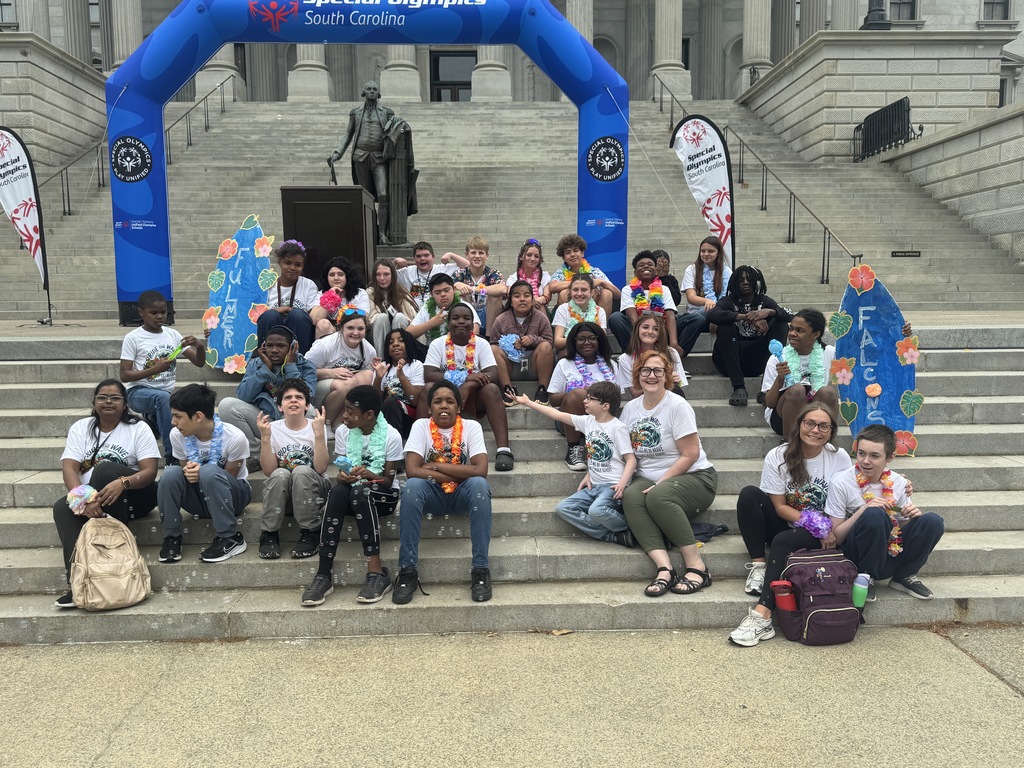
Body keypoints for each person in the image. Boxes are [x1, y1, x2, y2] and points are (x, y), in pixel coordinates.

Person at [728, 403, 851, 647]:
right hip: (789, 521)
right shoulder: (779, 455)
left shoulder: (839, 457)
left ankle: (763, 615)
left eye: (823, 425)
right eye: (810, 423)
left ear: (831, 431)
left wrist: (823, 529)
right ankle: (759, 565)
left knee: (782, 542)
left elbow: (852, 492)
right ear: (799, 426)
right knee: (750, 495)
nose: (815, 430)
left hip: (824, 532)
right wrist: (811, 523)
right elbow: (780, 506)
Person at [51, 380, 160, 608]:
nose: (108, 401)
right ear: (94, 402)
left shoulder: (138, 428)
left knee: (105, 469)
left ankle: (115, 566)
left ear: (125, 404)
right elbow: (69, 468)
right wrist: (84, 499)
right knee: (62, 507)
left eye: (115, 398)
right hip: (96, 501)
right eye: (102, 397)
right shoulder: (81, 428)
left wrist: (123, 483)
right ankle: (77, 582)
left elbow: (150, 471)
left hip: (136, 495)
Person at [621, 350, 718, 597]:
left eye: (658, 370)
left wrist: (661, 482)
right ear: (637, 375)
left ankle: (698, 567)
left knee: (657, 497)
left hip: (695, 477)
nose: (651, 375)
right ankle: (665, 569)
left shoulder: (677, 405)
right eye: (645, 370)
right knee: (632, 496)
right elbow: (624, 452)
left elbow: (690, 454)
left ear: (667, 376)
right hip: (648, 476)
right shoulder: (630, 409)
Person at [302, 386, 404, 606]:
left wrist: (368, 474)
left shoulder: (391, 436)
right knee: (338, 490)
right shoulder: (343, 432)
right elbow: (342, 467)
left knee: (361, 490)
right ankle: (323, 574)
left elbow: (387, 482)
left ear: (369, 415)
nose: (344, 416)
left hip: (382, 496)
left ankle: (377, 572)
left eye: (350, 411)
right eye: (344, 410)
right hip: (353, 493)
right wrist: (342, 476)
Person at [394, 380, 493, 604]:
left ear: (459, 407)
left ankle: (481, 570)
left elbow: (481, 470)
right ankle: (407, 571)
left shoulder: (471, 427)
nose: (444, 406)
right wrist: (461, 472)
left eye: (450, 401)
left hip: (462, 494)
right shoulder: (420, 426)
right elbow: (412, 471)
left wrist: (435, 466)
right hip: (431, 494)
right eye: (437, 401)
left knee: (479, 485)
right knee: (411, 487)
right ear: (430, 408)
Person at [827, 424, 944, 601]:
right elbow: (836, 536)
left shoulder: (897, 482)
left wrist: (911, 517)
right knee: (874, 514)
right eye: (861, 453)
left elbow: (896, 526)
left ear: (890, 458)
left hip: (889, 551)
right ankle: (866, 577)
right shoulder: (841, 482)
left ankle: (904, 576)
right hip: (856, 555)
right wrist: (864, 509)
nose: (865, 461)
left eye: (874, 456)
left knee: (932, 521)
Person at [515, 381, 637, 546]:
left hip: (612, 486)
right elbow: (558, 415)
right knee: (563, 508)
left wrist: (622, 484)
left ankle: (635, 529)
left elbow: (631, 460)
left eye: (590, 399)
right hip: (593, 486)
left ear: (605, 406)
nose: (585, 402)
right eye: (586, 398)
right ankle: (612, 536)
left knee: (596, 511)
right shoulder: (587, 422)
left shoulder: (618, 428)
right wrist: (528, 403)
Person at [157, 384, 252, 564]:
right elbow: (185, 472)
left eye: (178, 416)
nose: (173, 422)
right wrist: (191, 473)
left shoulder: (234, 437)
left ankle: (230, 538)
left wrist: (201, 473)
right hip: (200, 499)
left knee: (209, 471)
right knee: (170, 473)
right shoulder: (177, 435)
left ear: (198, 416)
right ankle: (172, 538)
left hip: (233, 497)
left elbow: (229, 477)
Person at [420, 302, 515, 471]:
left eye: (466, 318)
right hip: (444, 397)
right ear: (448, 324)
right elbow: (429, 374)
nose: (461, 322)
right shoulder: (438, 344)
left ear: (473, 323)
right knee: (428, 388)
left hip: (474, 397)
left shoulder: (482, 344)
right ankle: (421, 448)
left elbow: (492, 374)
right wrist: (467, 377)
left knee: (492, 389)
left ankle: (503, 450)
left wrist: (469, 385)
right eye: (455, 318)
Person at [119, 289, 206, 462]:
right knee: (164, 399)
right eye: (154, 313)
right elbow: (124, 375)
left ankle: (155, 419)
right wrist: (154, 370)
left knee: (196, 396)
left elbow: (199, 362)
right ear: (141, 313)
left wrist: (200, 346)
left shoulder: (173, 335)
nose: (159, 316)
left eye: (163, 312)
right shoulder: (133, 338)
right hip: (138, 392)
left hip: (165, 394)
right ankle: (172, 457)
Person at [327, 80, 416, 245]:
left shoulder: (387, 112)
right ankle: (371, 232)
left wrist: (403, 127)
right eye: (369, 89)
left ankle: (382, 233)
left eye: (375, 89)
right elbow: (348, 134)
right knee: (366, 198)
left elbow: (397, 129)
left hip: (379, 158)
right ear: (363, 92)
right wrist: (338, 153)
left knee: (383, 195)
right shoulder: (355, 113)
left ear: (378, 93)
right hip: (360, 157)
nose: (372, 91)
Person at [218, 325, 318, 461]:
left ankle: (297, 453)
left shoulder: (306, 366)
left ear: (292, 347)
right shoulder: (256, 365)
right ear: (263, 347)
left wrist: (290, 366)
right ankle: (256, 456)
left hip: (291, 420)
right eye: (270, 346)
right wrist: (265, 371)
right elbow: (243, 396)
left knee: (310, 410)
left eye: (281, 346)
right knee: (226, 405)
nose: (274, 350)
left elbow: (307, 398)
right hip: (266, 421)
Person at [256, 379, 330, 561]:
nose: (294, 400)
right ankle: (269, 534)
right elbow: (268, 471)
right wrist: (265, 438)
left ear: (307, 405)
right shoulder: (271, 428)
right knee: (280, 473)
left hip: (313, 493)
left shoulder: (316, 426)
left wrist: (319, 434)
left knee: (301, 471)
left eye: (299, 397)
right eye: (288, 398)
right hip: (283, 496)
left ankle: (311, 531)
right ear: (280, 407)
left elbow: (320, 468)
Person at [707, 265, 790, 407]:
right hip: (729, 361)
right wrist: (744, 317)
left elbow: (791, 315)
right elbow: (712, 314)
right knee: (725, 325)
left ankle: (767, 388)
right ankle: (738, 387)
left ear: (757, 282)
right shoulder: (728, 301)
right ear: (734, 284)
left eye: (749, 279)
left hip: (757, 362)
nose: (745, 282)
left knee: (780, 323)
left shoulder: (764, 301)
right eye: (741, 280)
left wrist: (769, 312)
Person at [548, 322, 617, 471]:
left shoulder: (610, 364)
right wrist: (580, 391)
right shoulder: (565, 363)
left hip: (602, 420)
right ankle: (573, 449)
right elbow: (552, 399)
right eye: (581, 339)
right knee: (579, 393)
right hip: (570, 420)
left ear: (599, 341)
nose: (587, 343)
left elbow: (618, 397)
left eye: (592, 338)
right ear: (574, 341)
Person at [760, 308, 839, 437]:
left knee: (828, 392)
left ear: (816, 334)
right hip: (782, 417)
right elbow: (769, 403)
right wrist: (780, 379)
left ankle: (827, 441)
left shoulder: (829, 353)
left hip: (813, 412)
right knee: (797, 390)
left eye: (800, 331)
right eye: (791, 329)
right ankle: (789, 444)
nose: (792, 334)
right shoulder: (778, 357)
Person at [305, 307, 377, 428]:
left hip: (344, 389)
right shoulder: (326, 345)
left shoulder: (368, 350)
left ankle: (339, 423)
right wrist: (330, 373)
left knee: (368, 376)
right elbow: (303, 371)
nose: (355, 333)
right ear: (340, 328)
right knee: (348, 382)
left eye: (360, 328)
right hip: (319, 390)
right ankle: (324, 424)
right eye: (350, 328)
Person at [488, 279, 555, 406]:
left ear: (533, 300)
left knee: (545, 347)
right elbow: (494, 342)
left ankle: (542, 389)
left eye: (527, 295)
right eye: (517, 296)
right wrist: (510, 345)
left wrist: (533, 339)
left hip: (533, 364)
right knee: (493, 349)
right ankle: (508, 390)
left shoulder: (541, 317)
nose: (522, 299)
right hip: (510, 365)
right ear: (511, 301)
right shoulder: (501, 319)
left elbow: (549, 341)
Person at [609, 250, 683, 357]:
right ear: (635, 272)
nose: (646, 267)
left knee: (693, 319)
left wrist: (673, 343)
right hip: (636, 331)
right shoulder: (628, 289)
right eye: (641, 265)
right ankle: (635, 354)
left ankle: (672, 356)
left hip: (661, 329)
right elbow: (634, 319)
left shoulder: (664, 289)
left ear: (656, 270)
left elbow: (670, 315)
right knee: (616, 318)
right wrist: (644, 336)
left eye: (650, 264)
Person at [257, 240, 319, 353]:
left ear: (303, 266)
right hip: (273, 333)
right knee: (270, 315)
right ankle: (266, 358)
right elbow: (258, 316)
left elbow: (312, 317)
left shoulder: (308, 285)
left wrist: (287, 309)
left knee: (298, 315)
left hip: (298, 334)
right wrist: (276, 311)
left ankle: (299, 361)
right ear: (279, 262)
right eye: (288, 263)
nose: (293, 268)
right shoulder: (267, 285)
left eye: (298, 264)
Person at [677, 236, 732, 356]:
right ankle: (715, 319)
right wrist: (708, 301)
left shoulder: (727, 272)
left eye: (710, 251)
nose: (706, 254)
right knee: (709, 310)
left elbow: (729, 298)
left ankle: (716, 320)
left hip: (719, 315)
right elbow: (691, 297)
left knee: (722, 311)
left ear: (718, 253)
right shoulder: (692, 270)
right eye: (703, 251)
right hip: (696, 317)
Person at [546, 234, 619, 319]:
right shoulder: (561, 273)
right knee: (563, 293)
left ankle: (600, 329)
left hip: (594, 314)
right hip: (572, 317)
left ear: (582, 253)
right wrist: (581, 283)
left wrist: (602, 282)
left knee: (607, 293)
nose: (572, 254)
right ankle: (569, 329)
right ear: (563, 258)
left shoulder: (594, 271)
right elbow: (552, 287)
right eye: (568, 252)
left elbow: (618, 295)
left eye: (576, 250)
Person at [616, 312, 688, 398]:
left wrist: (675, 380)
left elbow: (680, 384)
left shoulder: (671, 353)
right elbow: (635, 394)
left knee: (676, 389)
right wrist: (663, 381)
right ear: (637, 329)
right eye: (645, 327)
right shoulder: (625, 358)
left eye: (656, 329)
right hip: (644, 400)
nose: (650, 332)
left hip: (669, 398)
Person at [371, 328, 424, 440]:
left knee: (390, 403)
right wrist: (378, 378)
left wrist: (401, 376)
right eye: (391, 342)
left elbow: (414, 400)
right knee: (387, 403)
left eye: (400, 341)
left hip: (408, 416)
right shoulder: (383, 366)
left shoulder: (415, 365)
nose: (395, 344)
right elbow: (376, 401)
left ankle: (395, 444)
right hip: (387, 413)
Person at [407, 273, 481, 345]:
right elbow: (407, 334)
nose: (443, 295)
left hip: (461, 349)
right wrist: (431, 323)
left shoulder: (464, 306)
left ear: (454, 290)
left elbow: (476, 331)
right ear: (431, 294)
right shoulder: (427, 308)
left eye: (446, 290)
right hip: (432, 351)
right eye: (437, 292)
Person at [452, 235, 506, 333]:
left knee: (495, 296)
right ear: (466, 255)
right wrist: (456, 285)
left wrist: (474, 289)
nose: (477, 256)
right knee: (460, 294)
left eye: (481, 253)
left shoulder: (493, 274)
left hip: (488, 314)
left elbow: (503, 288)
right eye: (473, 252)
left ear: (487, 256)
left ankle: (490, 338)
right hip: (467, 314)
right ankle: (468, 335)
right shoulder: (460, 274)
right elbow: (449, 291)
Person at [367, 258, 418, 356]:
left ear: (393, 275)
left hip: (401, 331)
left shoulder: (402, 291)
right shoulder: (369, 292)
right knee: (381, 318)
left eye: (386, 274)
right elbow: (370, 319)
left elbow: (413, 317)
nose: (382, 278)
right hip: (378, 335)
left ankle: (401, 360)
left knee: (400, 317)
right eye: (378, 274)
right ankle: (382, 362)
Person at [310, 258, 371, 339]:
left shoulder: (360, 293)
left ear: (347, 277)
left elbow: (364, 316)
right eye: (331, 275)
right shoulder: (321, 294)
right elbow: (314, 319)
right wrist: (331, 297)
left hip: (352, 332)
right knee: (322, 324)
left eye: (340, 274)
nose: (336, 278)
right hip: (330, 336)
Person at [394, 241, 468, 308]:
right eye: (418, 256)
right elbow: (385, 276)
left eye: (426, 255)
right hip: (413, 311)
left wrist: (451, 255)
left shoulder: (442, 269)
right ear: (414, 258)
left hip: (437, 310)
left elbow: (467, 266)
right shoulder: (407, 272)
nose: (422, 258)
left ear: (433, 257)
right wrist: (395, 262)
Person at [551, 273, 608, 354]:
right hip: (570, 351)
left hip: (592, 351)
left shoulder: (600, 311)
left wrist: (584, 341)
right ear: (570, 291)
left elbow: (602, 338)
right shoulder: (563, 309)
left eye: (584, 290)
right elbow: (558, 341)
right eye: (575, 290)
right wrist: (580, 340)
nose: (579, 294)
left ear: (592, 292)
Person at [506, 238, 553, 311]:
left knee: (540, 307)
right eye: (529, 255)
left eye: (536, 256)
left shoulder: (545, 276)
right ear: (521, 257)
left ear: (540, 260)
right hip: (518, 310)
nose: (533, 259)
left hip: (539, 309)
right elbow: (511, 295)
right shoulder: (513, 278)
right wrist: (530, 301)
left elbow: (547, 296)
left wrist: (538, 300)